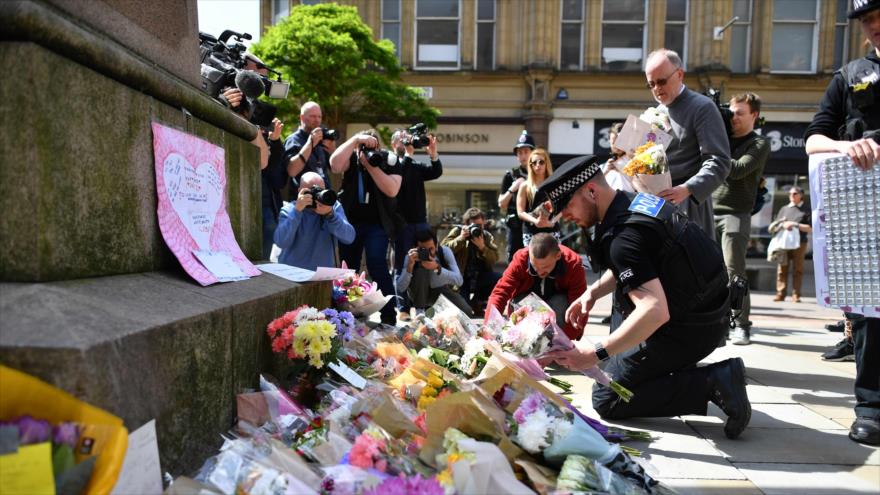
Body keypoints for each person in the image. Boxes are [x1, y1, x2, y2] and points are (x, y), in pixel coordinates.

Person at [540, 155, 751, 440]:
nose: (564, 215)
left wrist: (596, 352)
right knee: (622, 321)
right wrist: (592, 293)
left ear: (591, 191)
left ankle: (714, 381)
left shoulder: (623, 237)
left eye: (567, 205)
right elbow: (636, 266)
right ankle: (644, 362)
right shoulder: (633, 203)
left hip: (690, 328)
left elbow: (654, 309)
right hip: (708, 310)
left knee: (608, 397)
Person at [803, 0, 880, 447]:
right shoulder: (850, 75)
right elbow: (815, 136)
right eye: (867, 21)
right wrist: (842, 147)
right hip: (865, 211)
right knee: (870, 312)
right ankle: (870, 408)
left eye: (878, 16)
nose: (873, 27)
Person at [644, 49, 731, 239]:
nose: (657, 88)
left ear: (680, 74)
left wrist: (688, 189)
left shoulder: (702, 107)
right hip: (655, 204)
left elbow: (719, 161)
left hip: (688, 204)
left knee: (688, 265)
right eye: (651, 84)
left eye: (661, 81)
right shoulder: (655, 112)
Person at [712, 92, 770, 345]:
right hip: (707, 209)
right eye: (731, 112)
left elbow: (737, 170)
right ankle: (718, 323)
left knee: (734, 270)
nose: (734, 118)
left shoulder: (759, 143)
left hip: (735, 213)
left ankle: (742, 324)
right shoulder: (721, 138)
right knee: (708, 272)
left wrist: (713, 146)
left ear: (754, 115)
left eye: (740, 113)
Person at [330, 129, 403, 325]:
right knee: (348, 269)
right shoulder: (351, 159)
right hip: (350, 222)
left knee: (377, 264)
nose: (369, 150)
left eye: (373, 146)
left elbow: (392, 189)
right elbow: (335, 165)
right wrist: (355, 140)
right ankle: (348, 314)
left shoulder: (388, 160)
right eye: (365, 146)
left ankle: (389, 315)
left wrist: (371, 166)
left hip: (377, 224)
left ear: (379, 146)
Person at [486, 233, 587, 341]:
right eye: (534, 266)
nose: (539, 272)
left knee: (561, 302)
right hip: (527, 305)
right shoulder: (521, 259)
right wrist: (489, 329)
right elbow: (500, 293)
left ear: (558, 256)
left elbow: (580, 304)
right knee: (518, 302)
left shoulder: (573, 263)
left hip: (557, 309)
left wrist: (567, 339)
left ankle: (554, 341)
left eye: (545, 267)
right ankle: (521, 341)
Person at [391, 128, 443, 321]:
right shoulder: (392, 163)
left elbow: (436, 172)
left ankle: (420, 306)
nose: (405, 144)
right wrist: (408, 154)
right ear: (393, 145)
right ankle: (402, 307)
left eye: (407, 141)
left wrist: (433, 154)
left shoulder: (414, 165)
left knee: (423, 261)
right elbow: (399, 175)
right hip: (402, 224)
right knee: (402, 264)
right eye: (400, 141)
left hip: (420, 222)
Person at [274, 172, 355, 271]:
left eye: (320, 191)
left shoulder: (332, 207)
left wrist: (330, 215)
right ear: (300, 191)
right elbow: (281, 242)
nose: (317, 196)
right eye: (312, 191)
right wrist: (297, 211)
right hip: (292, 274)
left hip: (322, 276)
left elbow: (349, 238)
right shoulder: (290, 209)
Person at [396, 230, 472, 316]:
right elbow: (401, 288)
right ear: (416, 248)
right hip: (417, 294)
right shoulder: (411, 257)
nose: (428, 253)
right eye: (423, 250)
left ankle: (437, 313)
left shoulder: (444, 252)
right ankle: (419, 312)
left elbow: (459, 281)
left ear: (436, 246)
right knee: (421, 269)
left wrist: (438, 268)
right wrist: (409, 267)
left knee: (467, 312)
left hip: (439, 291)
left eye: (431, 249)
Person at [442, 207, 502, 313]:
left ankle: (477, 301)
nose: (476, 228)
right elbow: (443, 250)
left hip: (479, 277)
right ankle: (468, 305)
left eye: (479, 225)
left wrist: (483, 247)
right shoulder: (458, 231)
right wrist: (460, 238)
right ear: (466, 224)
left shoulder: (486, 236)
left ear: (483, 223)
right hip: (461, 280)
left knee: (500, 278)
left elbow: (495, 258)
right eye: (473, 225)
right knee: (465, 312)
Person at [768, 186, 811, 303]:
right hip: (783, 243)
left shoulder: (807, 209)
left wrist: (794, 224)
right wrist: (783, 224)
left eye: (795, 193)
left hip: (800, 243)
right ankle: (780, 293)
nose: (792, 195)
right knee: (782, 268)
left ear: (801, 195)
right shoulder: (784, 208)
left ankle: (796, 294)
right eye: (790, 194)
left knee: (798, 269)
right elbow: (776, 225)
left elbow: (810, 228)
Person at [498, 130, 535, 261]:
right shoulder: (510, 176)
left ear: (532, 153)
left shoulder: (540, 175)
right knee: (515, 263)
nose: (523, 155)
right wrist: (513, 188)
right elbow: (501, 204)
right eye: (520, 152)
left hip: (534, 226)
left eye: (526, 151)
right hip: (515, 229)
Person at [517, 148, 559, 246]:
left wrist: (551, 222)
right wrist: (535, 221)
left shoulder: (555, 184)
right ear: (530, 165)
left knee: (553, 260)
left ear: (546, 164)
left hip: (551, 229)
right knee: (531, 260)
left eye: (541, 162)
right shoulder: (525, 185)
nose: (537, 165)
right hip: (530, 231)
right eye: (534, 163)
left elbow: (562, 208)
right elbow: (520, 212)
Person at [283, 101, 331, 188]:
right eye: (313, 116)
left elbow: (335, 168)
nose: (317, 120)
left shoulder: (321, 139)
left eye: (319, 117)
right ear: (302, 117)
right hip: (304, 197)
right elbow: (292, 171)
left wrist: (332, 148)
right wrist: (310, 144)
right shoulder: (293, 140)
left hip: (325, 197)